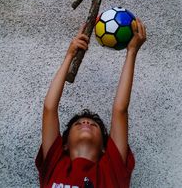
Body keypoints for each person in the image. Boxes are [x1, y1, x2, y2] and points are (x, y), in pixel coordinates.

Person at [35, 18, 146, 188]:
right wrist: (69, 55)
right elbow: (49, 108)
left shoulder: (112, 168)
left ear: (104, 148)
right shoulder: (54, 163)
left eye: (93, 125)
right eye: (79, 123)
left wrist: (132, 52)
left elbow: (120, 110)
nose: (86, 122)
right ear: (63, 145)